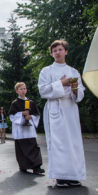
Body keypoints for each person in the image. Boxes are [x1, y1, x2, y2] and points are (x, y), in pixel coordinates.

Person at [38, 39, 86, 187]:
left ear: (66, 51)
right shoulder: (47, 71)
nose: (57, 52)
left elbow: (80, 94)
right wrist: (61, 84)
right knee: (59, 143)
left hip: (70, 108)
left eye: (60, 49)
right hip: (55, 108)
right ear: (52, 54)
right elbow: (43, 90)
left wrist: (75, 88)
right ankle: (60, 177)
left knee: (73, 142)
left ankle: (73, 175)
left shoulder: (73, 71)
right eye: (54, 51)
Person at [8, 82, 45, 175]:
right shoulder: (15, 103)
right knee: (21, 148)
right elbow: (12, 116)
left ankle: (36, 167)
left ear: (26, 90)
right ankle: (23, 166)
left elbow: (37, 115)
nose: (23, 90)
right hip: (20, 130)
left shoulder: (31, 102)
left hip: (29, 130)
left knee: (33, 147)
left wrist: (31, 117)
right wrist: (21, 114)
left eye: (24, 88)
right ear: (17, 91)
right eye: (21, 89)